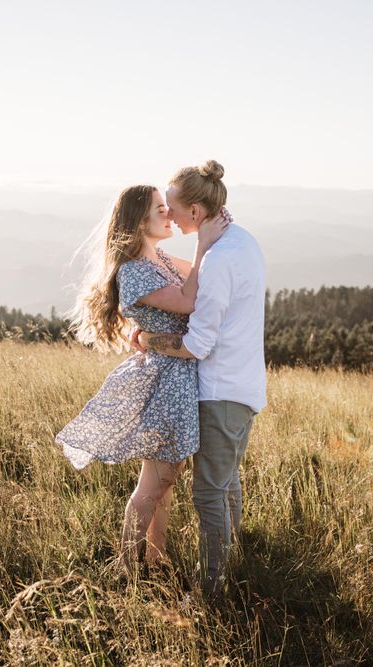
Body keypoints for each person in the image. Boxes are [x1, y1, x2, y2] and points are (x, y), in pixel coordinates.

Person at [55, 183, 230, 577]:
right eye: (160, 209)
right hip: (166, 384)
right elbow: (188, 300)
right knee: (154, 485)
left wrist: (214, 240)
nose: (169, 213)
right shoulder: (135, 272)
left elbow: (203, 280)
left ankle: (155, 562)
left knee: (162, 486)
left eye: (168, 207)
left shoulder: (159, 260)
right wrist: (204, 243)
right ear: (137, 222)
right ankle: (129, 571)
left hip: (178, 379)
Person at [132, 160, 267, 599]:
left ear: (195, 211)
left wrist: (151, 341)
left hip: (220, 390)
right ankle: (235, 564)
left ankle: (211, 591)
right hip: (245, 386)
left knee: (208, 493)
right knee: (226, 482)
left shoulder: (219, 261)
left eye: (172, 207)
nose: (168, 215)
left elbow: (197, 345)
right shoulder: (243, 242)